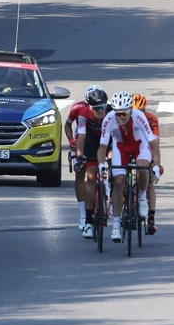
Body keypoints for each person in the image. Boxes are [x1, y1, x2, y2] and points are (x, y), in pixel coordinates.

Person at [96, 91, 161, 243]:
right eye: (118, 114)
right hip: (121, 148)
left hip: (139, 146)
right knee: (119, 182)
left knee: (143, 167)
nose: (121, 118)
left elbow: (153, 145)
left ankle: (142, 196)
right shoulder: (109, 119)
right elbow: (102, 148)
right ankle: (116, 226)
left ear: (130, 111)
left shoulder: (139, 116)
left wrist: (156, 167)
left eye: (124, 114)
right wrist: (100, 165)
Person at [63, 85, 110, 239]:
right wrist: (78, 153)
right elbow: (80, 138)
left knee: (118, 170)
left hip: (106, 141)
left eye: (102, 107)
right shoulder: (81, 111)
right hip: (88, 142)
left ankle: (110, 192)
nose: (100, 111)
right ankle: (86, 217)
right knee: (87, 176)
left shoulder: (111, 113)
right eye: (96, 108)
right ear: (89, 106)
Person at [132, 93, 163, 235]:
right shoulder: (125, 117)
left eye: (142, 112)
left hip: (146, 149)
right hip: (129, 148)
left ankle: (151, 219)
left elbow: (155, 144)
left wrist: (155, 165)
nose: (140, 115)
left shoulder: (151, 120)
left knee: (149, 181)